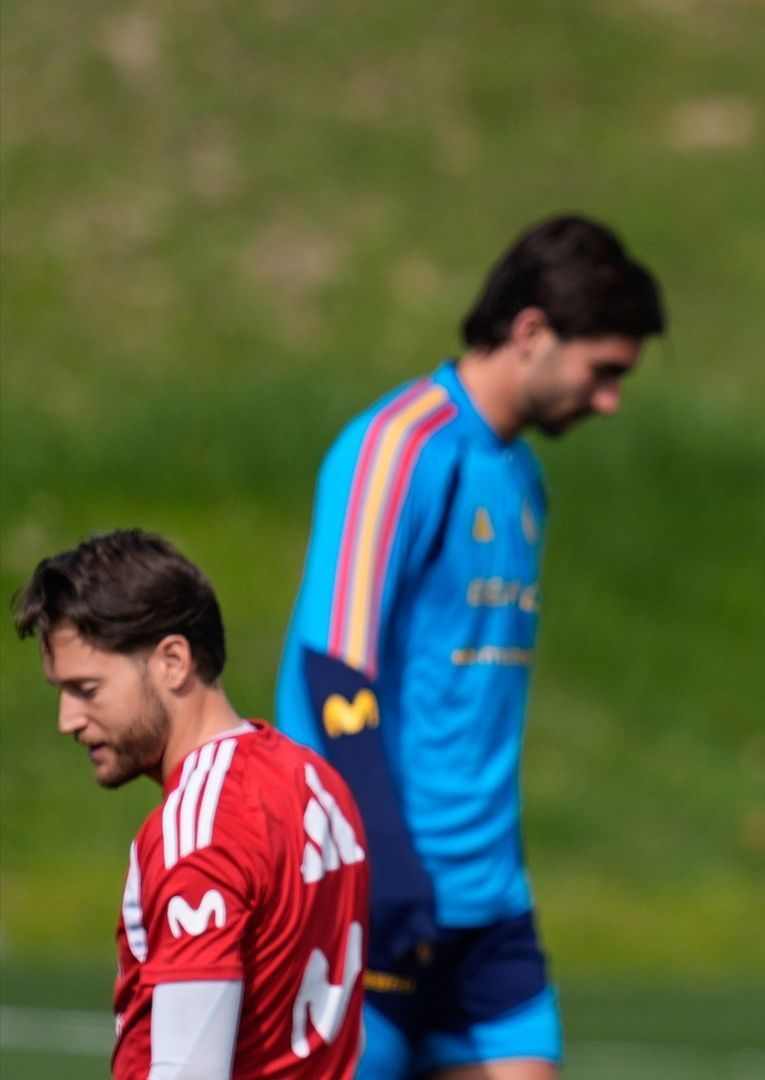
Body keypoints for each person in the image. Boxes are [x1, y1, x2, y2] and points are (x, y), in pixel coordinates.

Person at [274, 214, 665, 1080]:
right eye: (603, 372)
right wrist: (385, 862)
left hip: (488, 904)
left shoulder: (522, 475)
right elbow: (334, 663)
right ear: (531, 332)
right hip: (370, 896)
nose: (610, 402)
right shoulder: (396, 448)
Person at [15, 529, 369, 1079]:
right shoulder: (318, 783)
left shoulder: (198, 834)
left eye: (87, 689)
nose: (67, 720)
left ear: (173, 661)